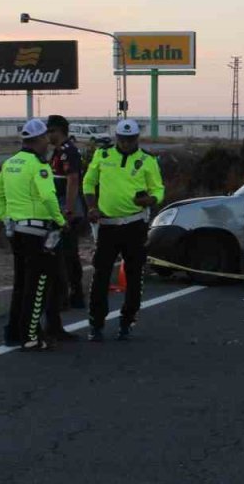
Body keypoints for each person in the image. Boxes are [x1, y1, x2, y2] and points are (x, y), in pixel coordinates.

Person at [0, 119, 68, 351]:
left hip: (17, 232)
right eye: (46, 139)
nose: (48, 143)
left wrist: (7, 217)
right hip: (37, 232)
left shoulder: (10, 163)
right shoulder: (38, 166)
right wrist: (61, 221)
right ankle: (31, 336)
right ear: (39, 139)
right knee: (39, 283)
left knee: (21, 283)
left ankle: (14, 332)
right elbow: (48, 197)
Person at [82, 119, 164, 341]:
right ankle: (96, 323)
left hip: (135, 225)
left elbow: (158, 189)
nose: (126, 143)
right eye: (122, 139)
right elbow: (88, 183)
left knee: (134, 274)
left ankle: (127, 321)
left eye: (131, 139)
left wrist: (150, 199)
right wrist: (91, 206)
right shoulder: (103, 155)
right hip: (108, 226)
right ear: (116, 138)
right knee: (101, 274)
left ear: (137, 138)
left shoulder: (147, 160)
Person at [46, 115, 87, 310]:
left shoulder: (68, 151)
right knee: (60, 253)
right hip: (59, 207)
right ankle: (65, 294)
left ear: (58, 131)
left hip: (68, 209)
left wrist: (68, 210)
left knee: (68, 254)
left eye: (50, 131)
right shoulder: (57, 152)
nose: (48, 134)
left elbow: (72, 180)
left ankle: (74, 294)